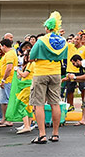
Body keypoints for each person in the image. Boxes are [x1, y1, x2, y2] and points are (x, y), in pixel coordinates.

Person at [28, 11, 67, 144]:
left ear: (46, 27)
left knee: (38, 104)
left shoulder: (41, 40)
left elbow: (31, 57)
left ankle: (42, 134)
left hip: (40, 73)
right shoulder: (63, 41)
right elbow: (63, 57)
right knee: (55, 103)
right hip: (56, 73)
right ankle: (55, 134)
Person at [64, 33, 85, 111]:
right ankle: (70, 105)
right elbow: (62, 43)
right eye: (74, 39)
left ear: (81, 40)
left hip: (80, 71)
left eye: (77, 39)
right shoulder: (69, 46)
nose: (75, 41)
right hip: (70, 71)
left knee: (83, 88)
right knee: (69, 90)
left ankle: (84, 104)